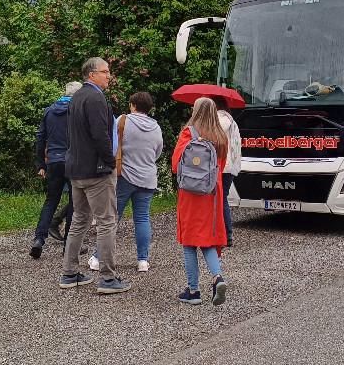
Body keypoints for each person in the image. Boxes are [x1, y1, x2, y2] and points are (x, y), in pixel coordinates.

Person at [59, 57, 130, 294]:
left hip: (76, 169)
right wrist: (110, 162)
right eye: (105, 71)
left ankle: (69, 273)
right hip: (96, 171)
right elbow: (101, 135)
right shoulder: (96, 98)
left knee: (79, 220)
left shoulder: (76, 97)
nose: (109, 75)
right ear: (92, 75)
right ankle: (108, 278)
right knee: (107, 221)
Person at [88, 92, 163, 273]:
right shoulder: (156, 127)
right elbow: (158, 152)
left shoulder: (122, 120)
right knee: (143, 218)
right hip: (148, 178)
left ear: (132, 105)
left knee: (112, 218)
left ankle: (98, 257)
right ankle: (143, 261)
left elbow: (111, 143)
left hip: (124, 176)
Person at [171, 97, 229, 306]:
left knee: (189, 241)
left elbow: (176, 165)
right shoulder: (221, 137)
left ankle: (193, 291)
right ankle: (217, 277)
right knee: (207, 239)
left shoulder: (189, 133)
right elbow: (221, 167)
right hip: (212, 193)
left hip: (190, 193)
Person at [29, 81, 81, 259]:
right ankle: (69, 244)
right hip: (73, 161)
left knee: (51, 201)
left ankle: (39, 240)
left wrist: (40, 164)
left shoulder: (49, 111)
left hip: (53, 160)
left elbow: (40, 137)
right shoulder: (76, 111)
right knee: (75, 202)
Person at [212, 96, 242, 248]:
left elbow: (211, 135)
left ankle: (226, 234)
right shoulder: (231, 119)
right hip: (229, 167)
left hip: (222, 166)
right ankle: (225, 234)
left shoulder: (221, 119)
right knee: (221, 199)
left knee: (220, 199)